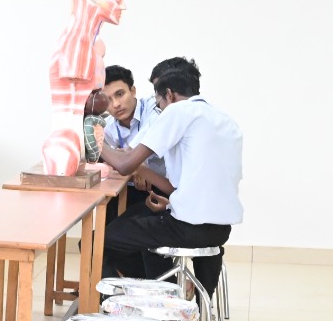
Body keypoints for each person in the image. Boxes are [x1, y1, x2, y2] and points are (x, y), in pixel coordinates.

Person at [99, 58, 243, 295]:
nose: (160, 110)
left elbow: (124, 165)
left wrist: (94, 138)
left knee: (104, 239)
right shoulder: (224, 120)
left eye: (160, 104)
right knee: (144, 230)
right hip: (220, 229)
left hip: (187, 227)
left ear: (169, 94)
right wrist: (171, 201)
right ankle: (184, 303)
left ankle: (152, 298)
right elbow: (194, 184)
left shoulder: (177, 111)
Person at [99, 64, 165, 216]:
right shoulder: (107, 127)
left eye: (120, 94)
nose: (116, 104)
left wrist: (136, 166)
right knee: (107, 215)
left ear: (133, 91)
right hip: (130, 187)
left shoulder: (154, 109)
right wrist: (133, 169)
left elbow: (128, 157)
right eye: (107, 100)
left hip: (163, 188)